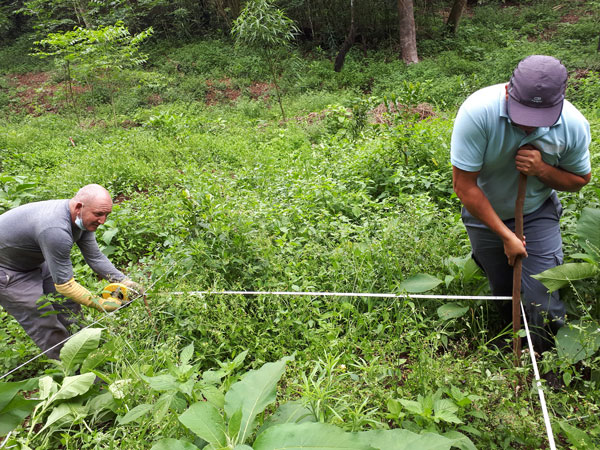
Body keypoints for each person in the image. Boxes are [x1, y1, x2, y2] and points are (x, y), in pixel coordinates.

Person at [451, 55, 592, 355]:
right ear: (507, 92)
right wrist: (506, 236)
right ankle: (513, 342)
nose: (529, 125)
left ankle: (550, 357)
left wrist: (542, 170)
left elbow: (580, 180)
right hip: (484, 212)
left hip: (536, 211)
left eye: (539, 118)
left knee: (542, 292)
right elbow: (464, 186)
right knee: (503, 287)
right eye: (523, 114)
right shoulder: (477, 112)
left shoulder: (573, 125)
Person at [0, 184, 143, 360]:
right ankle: (72, 371)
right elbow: (66, 286)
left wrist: (124, 281)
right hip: (7, 271)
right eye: (98, 214)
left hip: (31, 259)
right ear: (78, 207)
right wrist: (102, 305)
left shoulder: (81, 219)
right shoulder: (56, 230)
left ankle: (86, 354)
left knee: (68, 307)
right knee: (43, 319)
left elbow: (95, 257)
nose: (103, 221)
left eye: (107, 215)